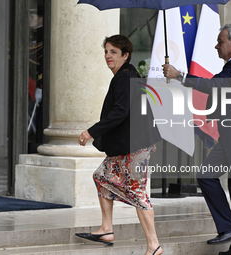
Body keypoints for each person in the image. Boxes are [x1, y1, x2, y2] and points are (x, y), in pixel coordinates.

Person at [163, 24, 231, 255]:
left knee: (206, 175)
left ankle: (230, 229)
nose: (216, 46)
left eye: (220, 41)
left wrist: (179, 75)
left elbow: (213, 86)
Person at [75, 35, 163, 255]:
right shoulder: (128, 76)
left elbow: (120, 111)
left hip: (134, 147)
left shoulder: (125, 77)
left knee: (137, 193)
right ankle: (106, 229)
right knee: (102, 177)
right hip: (129, 145)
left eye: (113, 52)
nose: (108, 56)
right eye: (106, 51)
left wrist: (91, 131)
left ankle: (154, 245)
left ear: (125, 55)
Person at [28, 4, 44, 153]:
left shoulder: (42, 35)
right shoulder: (30, 34)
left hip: (38, 82)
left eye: (32, 17)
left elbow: (42, 62)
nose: (29, 20)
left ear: (41, 19)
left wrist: (40, 85)